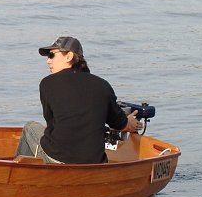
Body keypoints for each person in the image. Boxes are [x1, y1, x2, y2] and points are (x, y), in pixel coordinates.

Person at [15, 36, 143, 164]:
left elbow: (51, 124)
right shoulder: (103, 85)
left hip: (59, 158)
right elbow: (119, 123)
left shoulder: (47, 83)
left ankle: (19, 176)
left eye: (51, 55)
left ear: (69, 56)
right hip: (95, 163)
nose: (48, 61)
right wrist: (130, 123)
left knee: (30, 127)